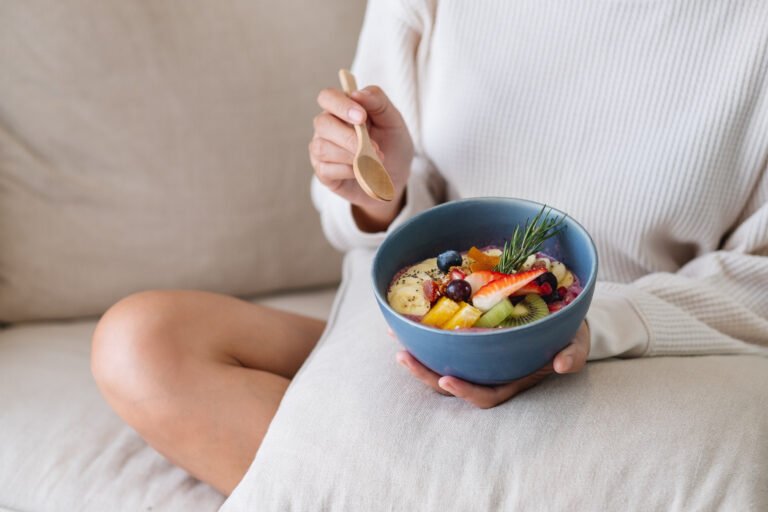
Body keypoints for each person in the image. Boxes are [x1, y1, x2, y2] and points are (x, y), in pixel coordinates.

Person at [91, 0, 768, 497]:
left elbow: (756, 280)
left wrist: (596, 326)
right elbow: (368, 217)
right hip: (420, 332)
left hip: (619, 362)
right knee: (142, 342)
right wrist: (378, 187)